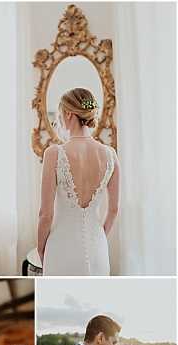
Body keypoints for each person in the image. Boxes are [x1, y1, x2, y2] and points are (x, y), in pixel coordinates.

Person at [38, 88, 120, 275]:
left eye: (60, 114)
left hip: (60, 247)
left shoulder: (54, 154)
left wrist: (42, 249)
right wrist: (99, 237)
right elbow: (114, 210)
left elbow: (45, 214)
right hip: (97, 246)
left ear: (68, 114)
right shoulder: (110, 155)